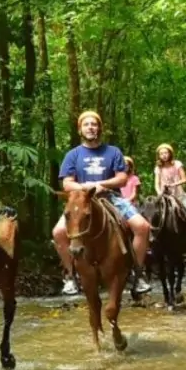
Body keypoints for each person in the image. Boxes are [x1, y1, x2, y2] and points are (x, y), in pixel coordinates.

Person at [52, 111, 152, 296]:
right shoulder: (73, 155)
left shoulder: (113, 151)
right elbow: (66, 183)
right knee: (58, 232)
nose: (90, 127)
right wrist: (85, 188)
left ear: (99, 128)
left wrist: (100, 185)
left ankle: (136, 273)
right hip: (81, 201)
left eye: (94, 124)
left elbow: (122, 178)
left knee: (143, 227)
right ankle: (70, 276)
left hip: (110, 197)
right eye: (86, 124)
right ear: (80, 129)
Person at [154, 143, 186, 252]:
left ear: (170, 153)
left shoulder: (177, 164)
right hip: (164, 197)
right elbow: (156, 183)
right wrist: (159, 192)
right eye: (161, 153)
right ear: (159, 155)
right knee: (150, 212)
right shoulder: (158, 168)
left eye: (166, 153)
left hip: (179, 196)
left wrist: (174, 184)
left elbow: (184, 179)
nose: (164, 155)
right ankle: (153, 239)